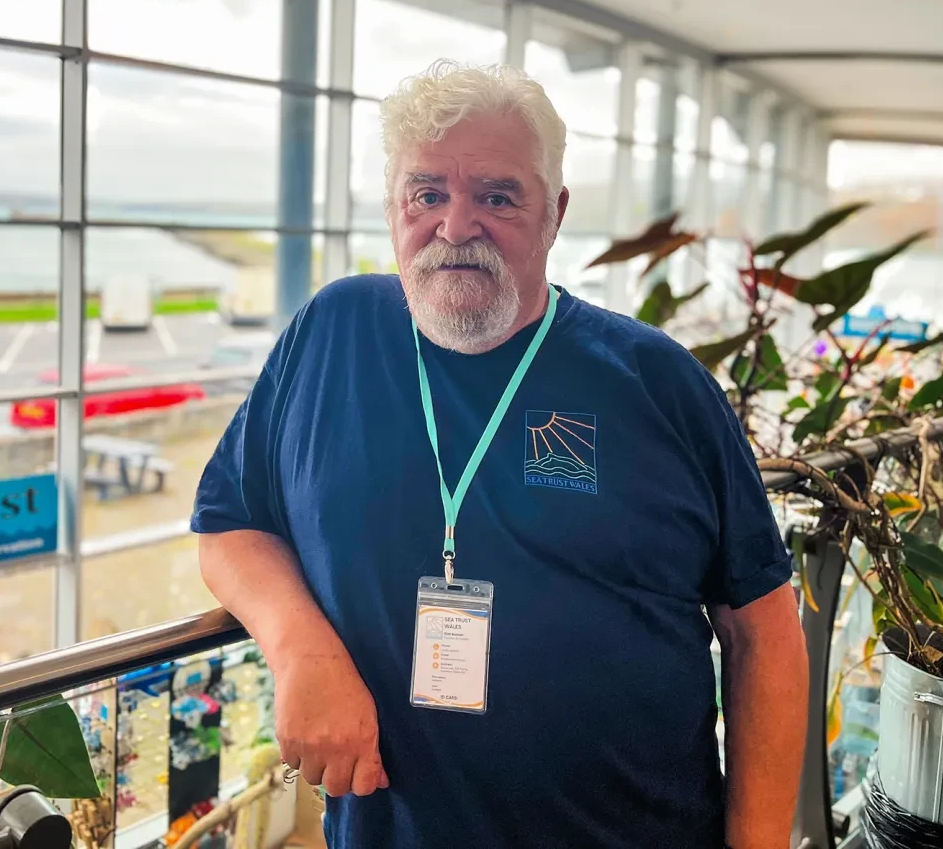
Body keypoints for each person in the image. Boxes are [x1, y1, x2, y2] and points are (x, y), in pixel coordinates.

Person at [192, 60, 808, 848]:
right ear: (392, 208)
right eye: (427, 195)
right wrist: (299, 649)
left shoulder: (656, 381)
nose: (456, 228)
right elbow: (230, 523)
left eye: (496, 196)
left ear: (554, 213)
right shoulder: (333, 337)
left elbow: (762, 629)